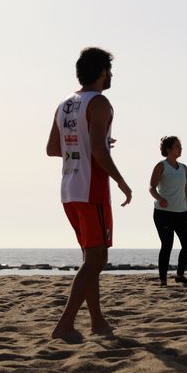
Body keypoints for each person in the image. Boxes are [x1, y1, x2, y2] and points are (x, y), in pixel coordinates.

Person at [46, 47, 132, 341]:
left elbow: (54, 149)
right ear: (101, 72)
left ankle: (97, 322)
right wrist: (120, 180)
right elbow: (97, 149)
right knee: (96, 260)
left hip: (69, 189)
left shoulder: (65, 104)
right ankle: (65, 324)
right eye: (109, 70)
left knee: (90, 258)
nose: (111, 76)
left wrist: (94, 143)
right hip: (91, 189)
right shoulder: (100, 103)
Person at [149, 136, 187, 286]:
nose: (180, 148)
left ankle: (179, 275)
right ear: (168, 149)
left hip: (181, 213)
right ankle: (163, 280)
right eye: (177, 146)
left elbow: (186, 192)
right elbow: (151, 187)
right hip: (163, 214)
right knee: (167, 245)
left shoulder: (184, 168)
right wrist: (159, 198)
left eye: (180, 146)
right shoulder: (161, 166)